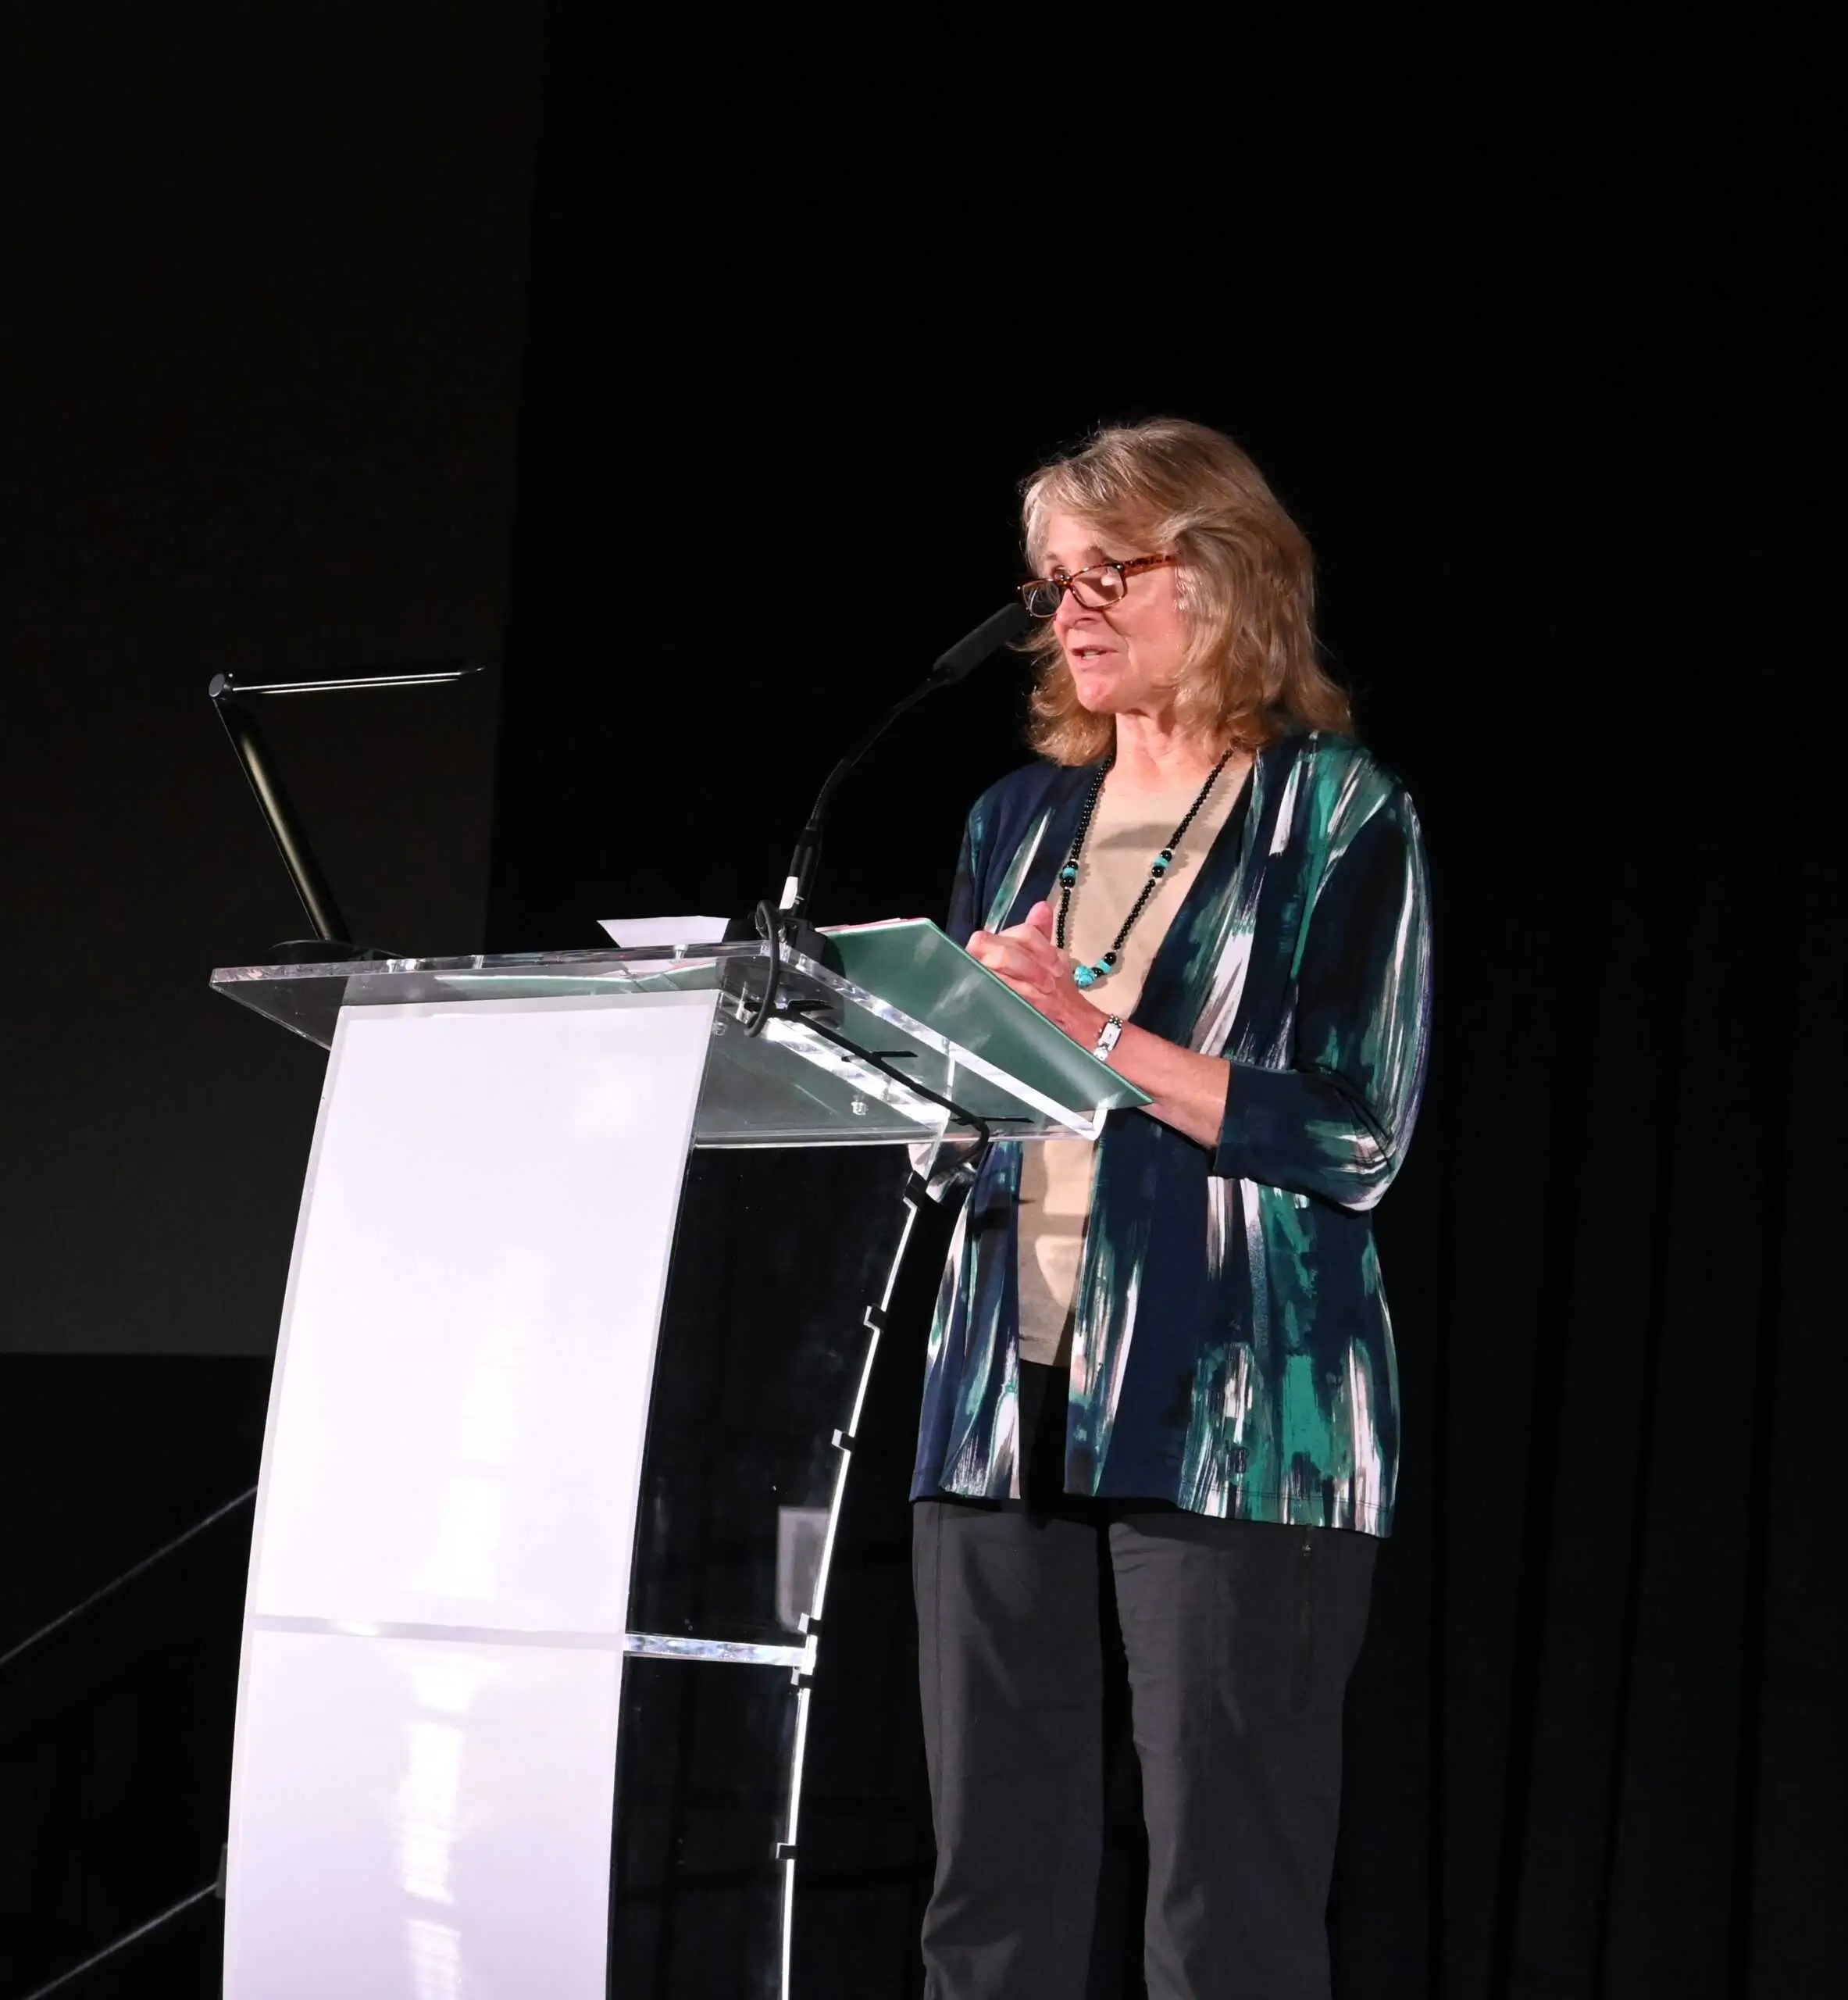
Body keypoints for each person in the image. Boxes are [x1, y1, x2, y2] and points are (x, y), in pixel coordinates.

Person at [910, 417, 1433, 2000]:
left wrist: (1100, 1039)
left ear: (1217, 577)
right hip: (1002, 1397)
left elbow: (1356, 1133)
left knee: (1227, 1908)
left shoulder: (1335, 814)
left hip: (1238, 1406)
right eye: (1048, 581)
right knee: (986, 1895)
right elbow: (962, 1106)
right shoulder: (1015, 822)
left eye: (1103, 573)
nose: (1064, 610)